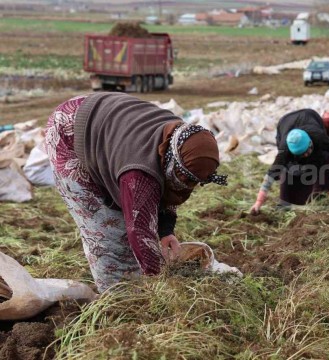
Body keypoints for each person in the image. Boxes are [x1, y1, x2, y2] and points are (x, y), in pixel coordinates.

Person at [45, 93, 227, 292]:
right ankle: (116, 296)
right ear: (173, 160)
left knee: (131, 220)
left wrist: (166, 231)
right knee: (108, 230)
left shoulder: (182, 140)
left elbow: (171, 187)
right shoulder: (139, 173)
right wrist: (161, 284)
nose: (188, 186)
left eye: (195, 182)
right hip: (70, 132)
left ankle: (133, 280)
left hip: (108, 123)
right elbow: (139, 231)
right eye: (185, 178)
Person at [250, 109, 329, 213]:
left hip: (309, 115)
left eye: (307, 151)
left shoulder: (318, 136)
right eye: (302, 154)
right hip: (285, 123)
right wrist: (258, 201)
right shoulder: (285, 151)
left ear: (310, 142)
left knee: (323, 161)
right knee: (291, 173)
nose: (306, 155)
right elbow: (270, 175)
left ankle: (319, 191)